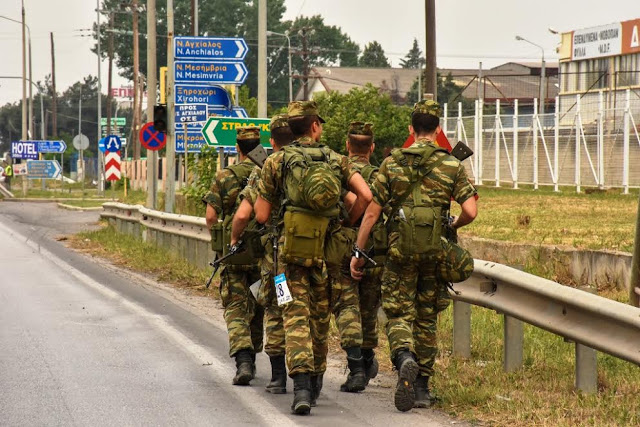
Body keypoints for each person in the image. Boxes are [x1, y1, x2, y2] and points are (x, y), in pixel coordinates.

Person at [350, 100, 477, 412]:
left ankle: (404, 355)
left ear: (410, 129)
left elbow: (371, 213)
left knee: (398, 313)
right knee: (426, 317)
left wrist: (359, 252)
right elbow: (470, 211)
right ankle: (421, 388)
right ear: (437, 130)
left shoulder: (391, 164)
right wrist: (452, 224)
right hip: (435, 253)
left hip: (398, 253)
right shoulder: (451, 165)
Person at [254, 101, 372, 415]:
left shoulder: (276, 162)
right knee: (319, 321)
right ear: (315, 126)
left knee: (292, 315)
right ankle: (316, 383)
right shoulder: (337, 160)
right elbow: (366, 197)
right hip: (326, 257)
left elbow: (262, 215)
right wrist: (345, 221)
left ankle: (300, 387)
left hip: (286, 260)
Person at [230, 114, 294, 394]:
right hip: (314, 255)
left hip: (278, 259)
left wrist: (234, 237)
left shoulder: (268, 167)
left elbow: (247, 213)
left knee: (277, 310)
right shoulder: (323, 162)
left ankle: (279, 378)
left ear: (272, 141)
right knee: (308, 314)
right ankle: (309, 384)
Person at [203, 127, 264, 386]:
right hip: (263, 254)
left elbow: (210, 216)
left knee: (237, 308)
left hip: (235, 253)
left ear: (238, 149)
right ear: (259, 146)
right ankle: (257, 352)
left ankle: (244, 361)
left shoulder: (225, 177)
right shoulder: (268, 172)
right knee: (259, 303)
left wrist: (223, 243)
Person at [341, 121, 383, 386]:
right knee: (369, 310)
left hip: (344, 249)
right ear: (372, 147)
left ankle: (356, 366)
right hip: (376, 252)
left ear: (347, 146)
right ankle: (367, 362)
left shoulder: (340, 172)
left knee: (346, 308)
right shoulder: (382, 175)